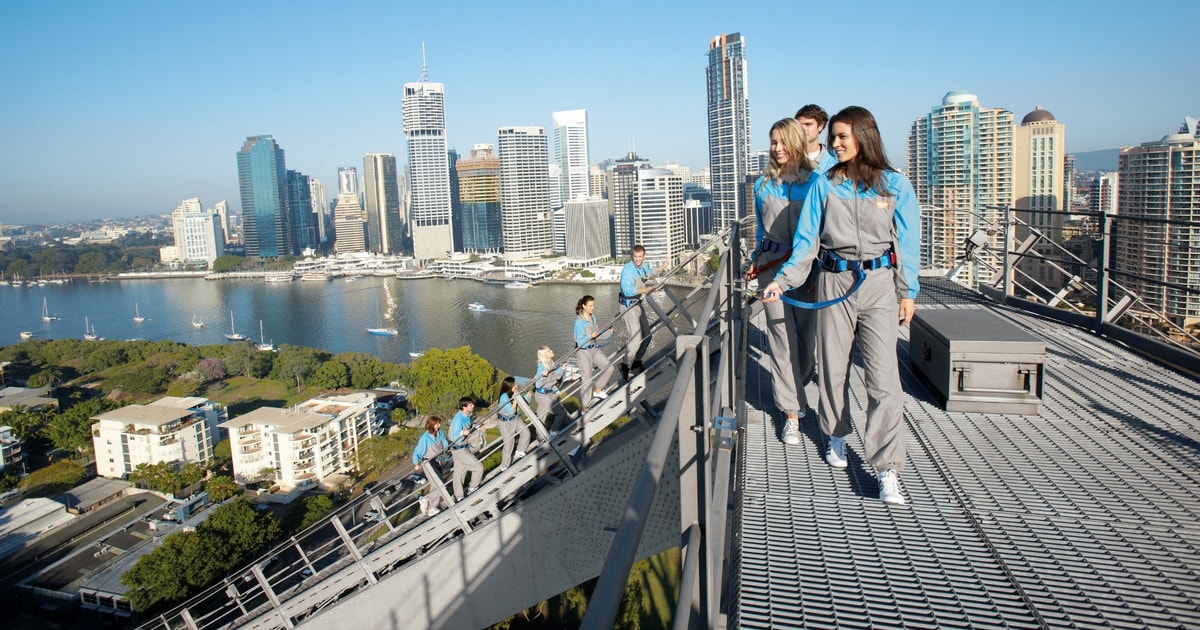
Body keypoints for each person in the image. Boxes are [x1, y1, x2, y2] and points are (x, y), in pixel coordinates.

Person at [762, 106, 921, 505]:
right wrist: (782, 281)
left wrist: (909, 291)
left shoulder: (893, 185)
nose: (833, 144)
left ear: (864, 137)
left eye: (841, 138)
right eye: (832, 137)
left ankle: (887, 469)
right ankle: (835, 432)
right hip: (833, 279)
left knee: (884, 378)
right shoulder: (824, 185)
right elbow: (806, 242)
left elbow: (908, 242)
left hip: (879, 285)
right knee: (833, 367)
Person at [747, 118, 819, 446]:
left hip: (808, 270)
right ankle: (790, 411)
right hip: (771, 268)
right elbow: (762, 231)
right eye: (772, 142)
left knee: (805, 340)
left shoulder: (816, 183)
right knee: (780, 338)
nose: (776, 148)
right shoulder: (763, 185)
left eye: (781, 141)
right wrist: (756, 260)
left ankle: (798, 390)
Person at [618, 244, 668, 381]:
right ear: (632, 256)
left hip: (637, 304)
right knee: (635, 339)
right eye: (635, 256)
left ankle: (636, 362)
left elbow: (649, 272)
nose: (637, 259)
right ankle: (624, 365)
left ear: (644, 256)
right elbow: (627, 290)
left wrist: (661, 267)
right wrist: (644, 290)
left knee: (647, 335)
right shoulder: (628, 271)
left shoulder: (643, 266)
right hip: (628, 306)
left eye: (640, 256)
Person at [573, 294, 616, 413]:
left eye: (593, 306)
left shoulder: (593, 318)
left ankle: (598, 390)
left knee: (609, 367)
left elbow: (598, 334)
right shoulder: (579, 323)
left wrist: (609, 332)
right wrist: (589, 336)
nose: (592, 308)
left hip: (594, 348)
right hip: (583, 352)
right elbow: (579, 341)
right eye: (590, 306)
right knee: (587, 379)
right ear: (584, 306)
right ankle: (585, 407)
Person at [411, 416, 449, 516]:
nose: (439, 425)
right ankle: (425, 499)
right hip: (429, 463)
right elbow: (417, 452)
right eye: (437, 424)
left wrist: (447, 449)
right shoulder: (425, 438)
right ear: (432, 425)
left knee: (435, 485)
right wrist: (416, 463)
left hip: (439, 461)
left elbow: (444, 443)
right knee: (440, 485)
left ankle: (432, 507)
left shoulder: (440, 433)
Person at [447, 397, 484, 500]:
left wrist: (477, 427)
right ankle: (472, 488)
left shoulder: (466, 416)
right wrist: (462, 433)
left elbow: (470, 425)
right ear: (464, 407)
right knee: (478, 468)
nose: (473, 406)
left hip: (463, 448)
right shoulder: (458, 419)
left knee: (459, 474)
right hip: (459, 449)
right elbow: (454, 438)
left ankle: (458, 496)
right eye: (470, 405)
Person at [496, 377, 531, 471]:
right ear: (510, 386)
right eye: (515, 384)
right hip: (505, 423)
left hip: (515, 419)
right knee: (509, 444)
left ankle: (520, 451)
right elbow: (511, 411)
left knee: (526, 433)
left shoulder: (513, 393)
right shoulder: (504, 397)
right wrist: (516, 397)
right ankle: (504, 466)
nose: (517, 385)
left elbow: (521, 403)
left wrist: (528, 396)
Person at [533, 345, 568, 432]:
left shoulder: (552, 363)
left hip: (549, 393)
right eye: (549, 351)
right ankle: (553, 430)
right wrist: (542, 376)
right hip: (542, 396)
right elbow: (538, 385)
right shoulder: (542, 368)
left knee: (541, 418)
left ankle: (540, 438)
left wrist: (562, 368)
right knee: (561, 413)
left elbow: (557, 377)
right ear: (545, 355)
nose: (552, 350)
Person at [795, 104, 838, 175]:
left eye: (808, 124)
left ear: (820, 126)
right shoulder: (787, 161)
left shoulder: (834, 164)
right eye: (799, 125)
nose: (802, 129)